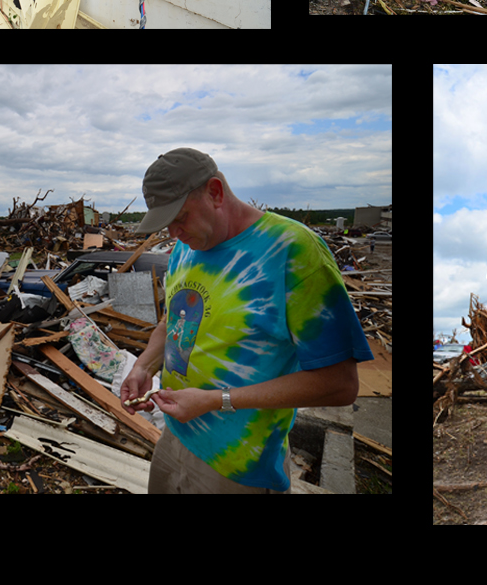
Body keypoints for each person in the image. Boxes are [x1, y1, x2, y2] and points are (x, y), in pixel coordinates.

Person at [120, 148, 373, 493]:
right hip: (174, 437)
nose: (175, 233)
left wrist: (214, 400)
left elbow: (340, 384)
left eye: (181, 217)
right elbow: (171, 323)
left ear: (215, 192)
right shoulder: (184, 249)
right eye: (168, 225)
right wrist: (143, 367)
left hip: (238, 468)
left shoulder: (293, 251)